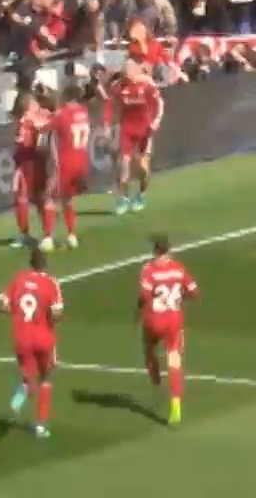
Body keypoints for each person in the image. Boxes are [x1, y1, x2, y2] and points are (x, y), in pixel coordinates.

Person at [1, 242, 63, 439]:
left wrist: (18, 314)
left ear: (30, 263)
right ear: (45, 264)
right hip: (43, 338)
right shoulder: (51, 283)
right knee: (46, 379)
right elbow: (57, 313)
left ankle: (24, 389)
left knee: (29, 377)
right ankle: (41, 426)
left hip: (21, 338)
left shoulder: (17, 280)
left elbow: (3, 305)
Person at [138, 235, 198, 426]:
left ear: (155, 251)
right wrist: (181, 297)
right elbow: (195, 292)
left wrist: (140, 310)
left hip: (154, 320)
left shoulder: (149, 270)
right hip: (174, 321)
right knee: (174, 360)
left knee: (148, 348)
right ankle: (175, 404)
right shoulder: (179, 269)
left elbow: (144, 296)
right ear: (169, 250)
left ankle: (155, 378)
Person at [109, 61, 164, 214]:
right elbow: (113, 107)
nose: (127, 73)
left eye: (129, 70)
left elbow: (159, 102)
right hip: (127, 129)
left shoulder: (146, 85)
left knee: (142, 168)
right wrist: (112, 127)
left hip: (144, 130)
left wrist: (156, 121)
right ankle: (124, 198)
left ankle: (141, 194)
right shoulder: (118, 87)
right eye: (124, 71)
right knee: (123, 167)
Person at [48, 81, 92, 250]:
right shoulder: (84, 112)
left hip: (66, 162)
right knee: (68, 199)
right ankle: (71, 235)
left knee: (50, 198)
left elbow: (50, 133)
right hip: (82, 161)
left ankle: (48, 237)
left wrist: (54, 161)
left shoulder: (62, 115)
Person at [11, 90, 52, 249]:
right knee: (33, 198)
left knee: (32, 198)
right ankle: (42, 235)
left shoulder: (28, 121)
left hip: (33, 163)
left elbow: (23, 144)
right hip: (32, 162)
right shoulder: (28, 120)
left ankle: (35, 234)